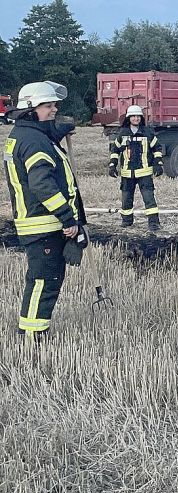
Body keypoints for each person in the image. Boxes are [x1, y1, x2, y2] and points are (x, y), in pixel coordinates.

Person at [3, 81, 87, 338]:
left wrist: (60, 130)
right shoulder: (34, 142)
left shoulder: (27, 135)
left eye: (54, 105)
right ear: (30, 109)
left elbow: (45, 137)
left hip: (38, 223)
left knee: (46, 279)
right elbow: (42, 185)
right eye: (48, 106)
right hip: (44, 225)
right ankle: (32, 336)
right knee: (43, 282)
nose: (54, 109)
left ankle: (33, 331)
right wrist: (67, 218)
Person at [109, 105, 164, 231]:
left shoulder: (147, 133)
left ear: (141, 118)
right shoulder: (122, 134)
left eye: (138, 116)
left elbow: (157, 148)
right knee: (126, 200)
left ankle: (153, 223)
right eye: (133, 116)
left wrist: (158, 164)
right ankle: (127, 221)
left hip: (144, 173)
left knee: (149, 199)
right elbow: (115, 150)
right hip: (127, 174)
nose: (136, 118)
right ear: (129, 118)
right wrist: (112, 165)